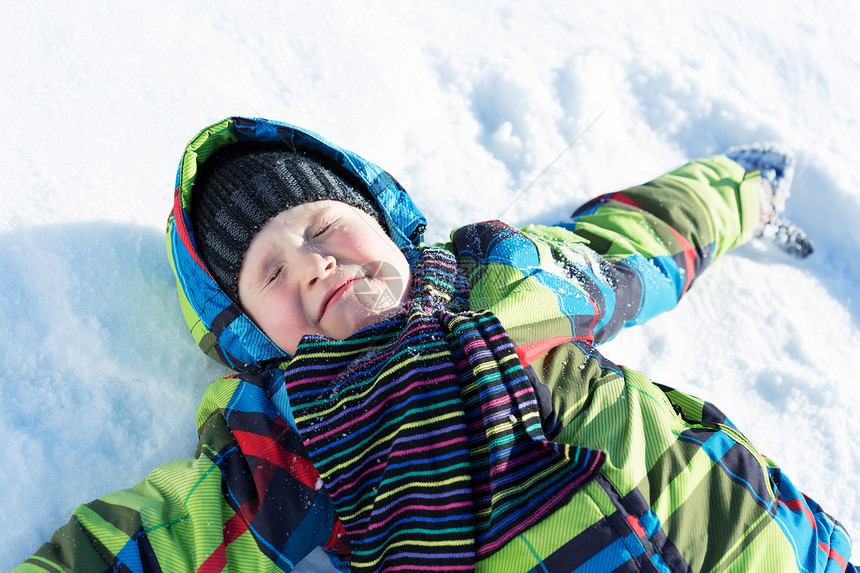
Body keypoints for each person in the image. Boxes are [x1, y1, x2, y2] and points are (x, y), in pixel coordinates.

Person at [15, 116, 851, 572]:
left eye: (321, 225)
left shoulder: (511, 276)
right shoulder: (279, 447)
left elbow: (645, 238)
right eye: (270, 270)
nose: (313, 263)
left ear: (383, 222)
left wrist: (739, 187)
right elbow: (148, 539)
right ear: (250, 335)